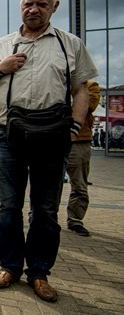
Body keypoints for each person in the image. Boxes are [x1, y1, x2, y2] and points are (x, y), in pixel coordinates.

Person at [0, 0, 98, 303]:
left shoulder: (69, 44)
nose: (34, 9)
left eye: (42, 4)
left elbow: (81, 88)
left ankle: (39, 272)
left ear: (54, 7)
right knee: (6, 206)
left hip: (52, 137)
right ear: (20, 6)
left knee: (44, 210)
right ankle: (10, 266)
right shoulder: (2, 46)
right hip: (7, 136)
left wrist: (73, 126)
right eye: (28, 3)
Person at [65, 80, 101, 236]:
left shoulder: (90, 86)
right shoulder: (56, 81)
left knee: (79, 183)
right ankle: (37, 216)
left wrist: (77, 93)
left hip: (79, 141)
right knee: (44, 182)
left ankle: (75, 220)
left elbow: (89, 105)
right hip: (51, 138)